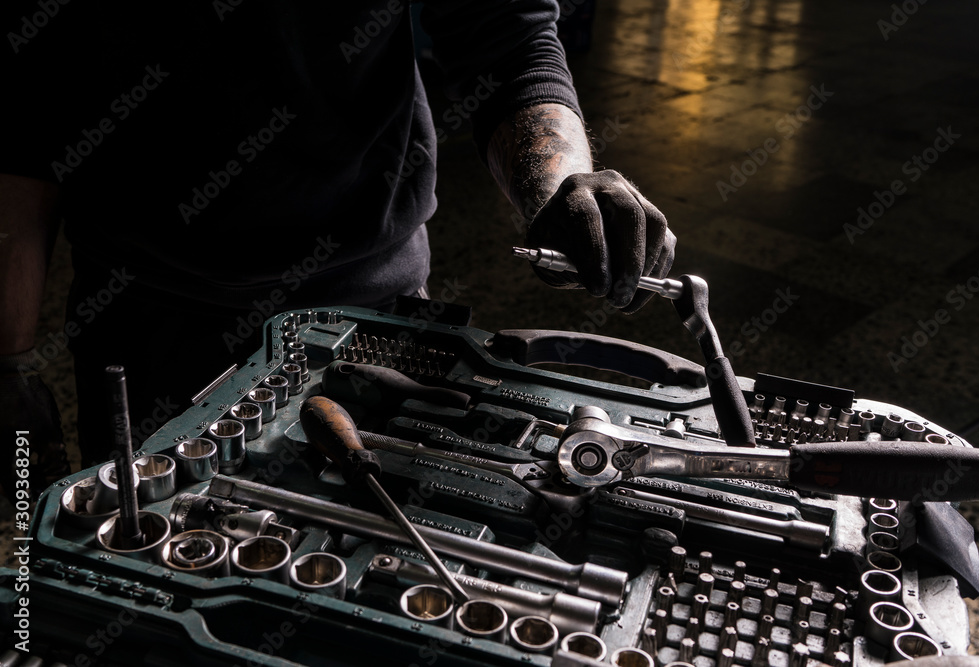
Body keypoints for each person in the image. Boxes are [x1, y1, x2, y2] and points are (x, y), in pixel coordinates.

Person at [0, 1, 675, 488]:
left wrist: (560, 183)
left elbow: (507, 41)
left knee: (369, 569)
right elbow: (23, 112)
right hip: (148, 324)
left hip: (366, 310)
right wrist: (9, 359)